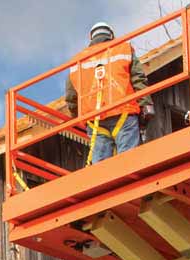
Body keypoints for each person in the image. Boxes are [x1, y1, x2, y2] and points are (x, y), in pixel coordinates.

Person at [61, 22, 150, 165]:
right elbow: (138, 78)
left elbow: (71, 97)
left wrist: (79, 117)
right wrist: (146, 105)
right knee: (128, 163)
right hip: (124, 113)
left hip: (95, 120)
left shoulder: (77, 62)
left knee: (101, 169)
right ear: (111, 35)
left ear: (91, 38)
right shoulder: (123, 49)